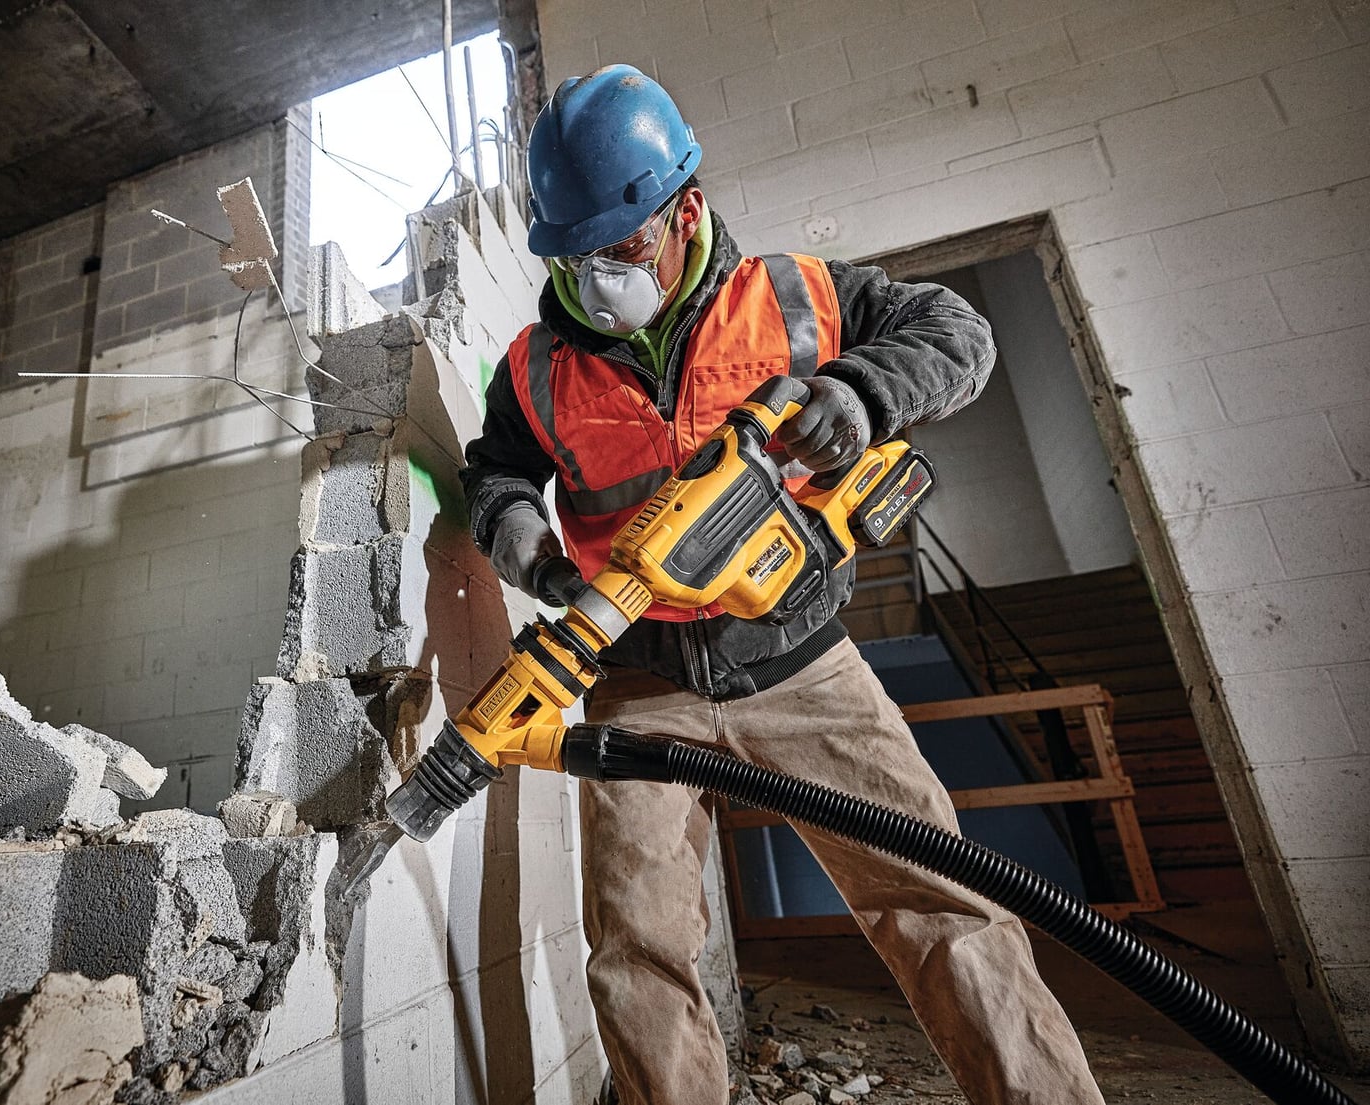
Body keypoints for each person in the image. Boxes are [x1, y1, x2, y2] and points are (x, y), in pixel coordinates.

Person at [458, 65, 1106, 1105]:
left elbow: (959, 335)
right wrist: (525, 540)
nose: (598, 277)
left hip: (804, 667)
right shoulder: (535, 364)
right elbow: (490, 470)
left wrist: (861, 391)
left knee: (940, 901)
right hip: (637, 680)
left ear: (687, 211)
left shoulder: (800, 297)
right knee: (638, 954)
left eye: (621, 248)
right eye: (574, 256)